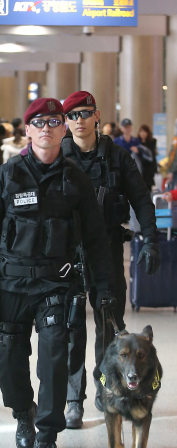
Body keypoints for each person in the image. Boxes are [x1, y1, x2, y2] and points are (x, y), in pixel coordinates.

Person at [0, 97, 116, 448]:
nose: (46, 128)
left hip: (55, 286)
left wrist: (104, 287)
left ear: (63, 129)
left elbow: (95, 238)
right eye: (38, 122)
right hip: (12, 285)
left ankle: (46, 439)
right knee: (9, 366)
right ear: (26, 131)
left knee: (54, 360)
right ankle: (22, 413)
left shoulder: (75, 178)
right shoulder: (6, 176)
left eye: (53, 122)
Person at [62, 91, 160, 429]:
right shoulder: (57, 155)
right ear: (65, 121)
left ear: (96, 116)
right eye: (72, 115)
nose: (79, 120)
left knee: (109, 328)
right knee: (73, 327)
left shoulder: (117, 157)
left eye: (84, 113)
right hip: (68, 255)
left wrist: (151, 241)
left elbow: (142, 200)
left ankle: (106, 392)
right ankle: (74, 399)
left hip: (106, 249)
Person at [138, 124, 158, 190]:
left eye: (144, 131)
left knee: (148, 187)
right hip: (140, 168)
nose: (142, 133)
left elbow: (152, 156)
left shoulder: (152, 142)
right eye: (141, 131)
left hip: (149, 168)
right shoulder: (136, 142)